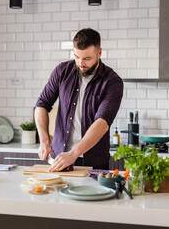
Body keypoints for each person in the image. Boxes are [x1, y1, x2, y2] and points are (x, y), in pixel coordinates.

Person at [35, 28, 124, 172]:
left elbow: (102, 123)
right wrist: (44, 141)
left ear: (99, 53)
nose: (80, 63)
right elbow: (41, 105)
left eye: (87, 59)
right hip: (59, 160)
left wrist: (74, 153)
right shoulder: (62, 71)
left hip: (94, 163)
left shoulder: (112, 82)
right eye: (77, 57)